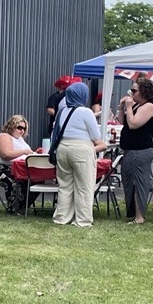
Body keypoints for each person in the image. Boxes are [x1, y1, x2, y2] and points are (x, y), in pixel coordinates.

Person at [51, 82, 107, 228]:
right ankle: (82, 220)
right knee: (84, 186)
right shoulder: (86, 112)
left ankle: (61, 217)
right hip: (82, 150)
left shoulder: (62, 111)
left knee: (65, 185)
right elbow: (96, 136)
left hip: (63, 149)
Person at [118, 77, 153, 224]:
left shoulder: (148, 106)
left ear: (143, 92)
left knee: (138, 182)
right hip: (130, 149)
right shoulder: (137, 105)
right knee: (129, 181)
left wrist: (129, 107)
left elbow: (134, 124)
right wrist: (122, 107)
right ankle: (133, 213)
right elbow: (123, 122)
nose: (131, 93)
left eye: (134, 90)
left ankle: (139, 216)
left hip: (140, 150)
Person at [0, 115, 37, 213]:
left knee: (37, 179)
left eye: (24, 128)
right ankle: (14, 209)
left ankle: (22, 207)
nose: (22, 131)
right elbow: (5, 155)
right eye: (19, 128)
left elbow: (28, 153)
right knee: (16, 181)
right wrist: (24, 152)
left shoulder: (20, 140)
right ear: (11, 126)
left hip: (17, 168)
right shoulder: (4, 136)